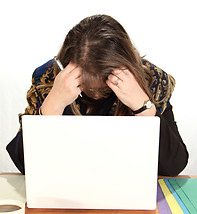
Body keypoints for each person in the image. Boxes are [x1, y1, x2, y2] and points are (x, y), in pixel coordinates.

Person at [6, 14, 188, 176]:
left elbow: (173, 167)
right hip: (66, 188)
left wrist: (143, 106)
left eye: (106, 87)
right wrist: (52, 106)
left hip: (128, 189)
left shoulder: (150, 80)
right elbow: (25, 166)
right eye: (85, 86)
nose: (95, 96)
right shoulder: (50, 79)